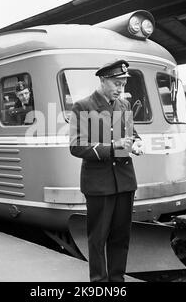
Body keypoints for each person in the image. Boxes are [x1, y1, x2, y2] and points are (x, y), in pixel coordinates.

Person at [69, 59, 144, 282]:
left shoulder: (125, 106)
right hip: (99, 184)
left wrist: (137, 143)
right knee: (98, 239)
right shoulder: (83, 106)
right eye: (116, 84)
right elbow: (76, 146)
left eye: (123, 84)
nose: (120, 89)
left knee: (121, 237)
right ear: (103, 80)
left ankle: (117, 281)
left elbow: (132, 134)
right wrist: (113, 147)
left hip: (124, 181)